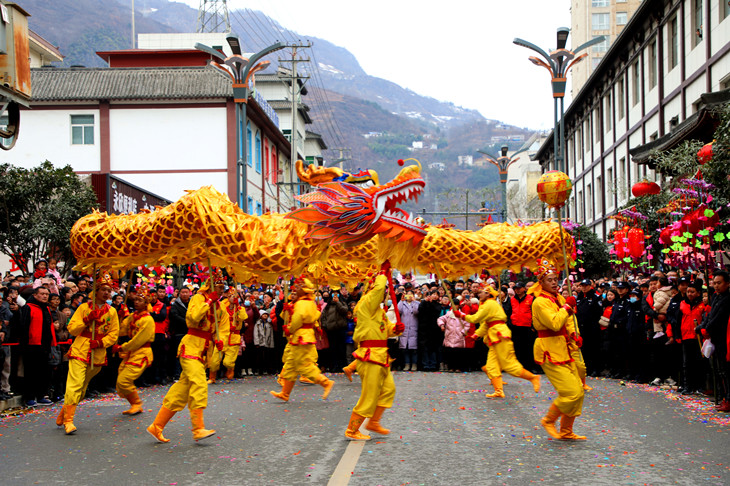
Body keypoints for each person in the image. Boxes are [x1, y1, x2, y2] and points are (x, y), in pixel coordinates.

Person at [146, 277, 226, 443]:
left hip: (203, 351)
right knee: (199, 382)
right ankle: (198, 429)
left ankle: (157, 426)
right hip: (190, 347)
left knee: (181, 391)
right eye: (217, 287)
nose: (220, 290)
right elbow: (192, 319)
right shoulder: (198, 298)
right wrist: (208, 302)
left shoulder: (220, 307)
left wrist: (219, 340)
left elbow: (223, 327)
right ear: (209, 286)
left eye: (222, 287)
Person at [529, 259, 586, 441]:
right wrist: (567, 307)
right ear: (541, 283)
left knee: (578, 391)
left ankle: (566, 430)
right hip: (548, 350)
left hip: (564, 348)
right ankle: (548, 420)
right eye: (549, 279)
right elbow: (554, 323)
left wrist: (573, 334)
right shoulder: (539, 302)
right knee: (572, 392)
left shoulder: (559, 298)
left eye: (555, 279)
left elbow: (568, 322)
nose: (554, 282)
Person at [57, 273, 120, 435]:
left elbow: (114, 334)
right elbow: (72, 328)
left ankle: (65, 412)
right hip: (80, 349)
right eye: (103, 290)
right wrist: (86, 320)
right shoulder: (84, 307)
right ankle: (69, 421)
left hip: (97, 353)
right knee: (75, 384)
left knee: (83, 388)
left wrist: (100, 343)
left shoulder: (112, 311)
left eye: (109, 290)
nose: (106, 293)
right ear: (96, 291)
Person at [345, 272, 404, 440]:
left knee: (388, 390)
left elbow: (386, 329)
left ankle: (373, 422)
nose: (384, 292)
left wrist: (396, 329)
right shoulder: (366, 303)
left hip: (381, 356)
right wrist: (383, 274)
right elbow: (378, 289)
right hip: (370, 356)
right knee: (369, 396)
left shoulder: (377, 310)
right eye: (382, 289)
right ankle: (352, 430)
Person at [456, 285, 540, 398]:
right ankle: (499, 390)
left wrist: (461, 315)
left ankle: (533, 377)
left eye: (482, 292)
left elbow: (476, 318)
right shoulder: (486, 305)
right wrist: (476, 334)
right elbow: (486, 323)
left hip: (500, 336)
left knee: (509, 365)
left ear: (488, 294)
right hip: (494, 337)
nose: (479, 294)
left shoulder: (490, 304)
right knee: (491, 366)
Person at [270, 277, 334, 402]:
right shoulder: (310, 302)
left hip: (300, 336)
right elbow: (316, 314)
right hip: (305, 335)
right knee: (290, 365)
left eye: (297, 289)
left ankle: (325, 382)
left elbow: (297, 319)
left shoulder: (300, 303)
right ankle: (285, 393)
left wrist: (290, 328)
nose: (294, 291)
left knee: (303, 365)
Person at [113, 288, 155, 415]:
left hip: (141, 352)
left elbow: (139, 340)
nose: (136, 302)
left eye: (140, 300)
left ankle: (137, 404)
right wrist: (120, 316)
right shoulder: (133, 316)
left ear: (146, 303)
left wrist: (122, 347)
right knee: (121, 379)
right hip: (131, 353)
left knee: (124, 380)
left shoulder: (148, 320)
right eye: (136, 299)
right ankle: (135, 404)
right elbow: (122, 331)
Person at [698, 271, 730, 411]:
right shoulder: (716, 297)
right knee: (719, 370)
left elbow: (718, 318)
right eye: (714, 283)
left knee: (726, 370)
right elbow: (710, 315)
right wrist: (702, 326)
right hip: (715, 338)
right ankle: (724, 397)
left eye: (719, 283)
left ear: (727, 283)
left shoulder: (727, 299)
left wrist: (707, 329)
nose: (716, 286)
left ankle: (728, 399)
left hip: (725, 338)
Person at [19, 286, 55, 407]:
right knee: (30, 373)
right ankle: (29, 397)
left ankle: (41, 396)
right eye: (42, 294)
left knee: (43, 372)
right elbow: (23, 327)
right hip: (31, 346)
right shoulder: (28, 307)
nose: (45, 296)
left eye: (47, 294)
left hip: (44, 345)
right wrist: (24, 346)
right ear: (35, 295)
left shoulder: (46, 309)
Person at [504, 281, 537, 373]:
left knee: (528, 348)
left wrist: (533, 325)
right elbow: (509, 312)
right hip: (515, 327)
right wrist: (510, 323)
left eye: (519, 288)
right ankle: (518, 366)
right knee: (517, 347)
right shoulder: (512, 300)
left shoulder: (531, 299)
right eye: (515, 289)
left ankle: (530, 367)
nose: (517, 290)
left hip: (527, 327)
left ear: (524, 289)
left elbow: (535, 313)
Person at [397, 290, 419, 371]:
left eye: (411, 294)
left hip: (413, 328)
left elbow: (417, 311)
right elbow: (398, 311)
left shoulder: (417, 303)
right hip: (405, 329)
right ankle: (407, 364)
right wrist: (401, 300)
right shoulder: (402, 303)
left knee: (414, 349)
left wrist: (415, 301)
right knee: (405, 348)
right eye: (407, 294)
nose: (409, 296)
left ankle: (414, 364)